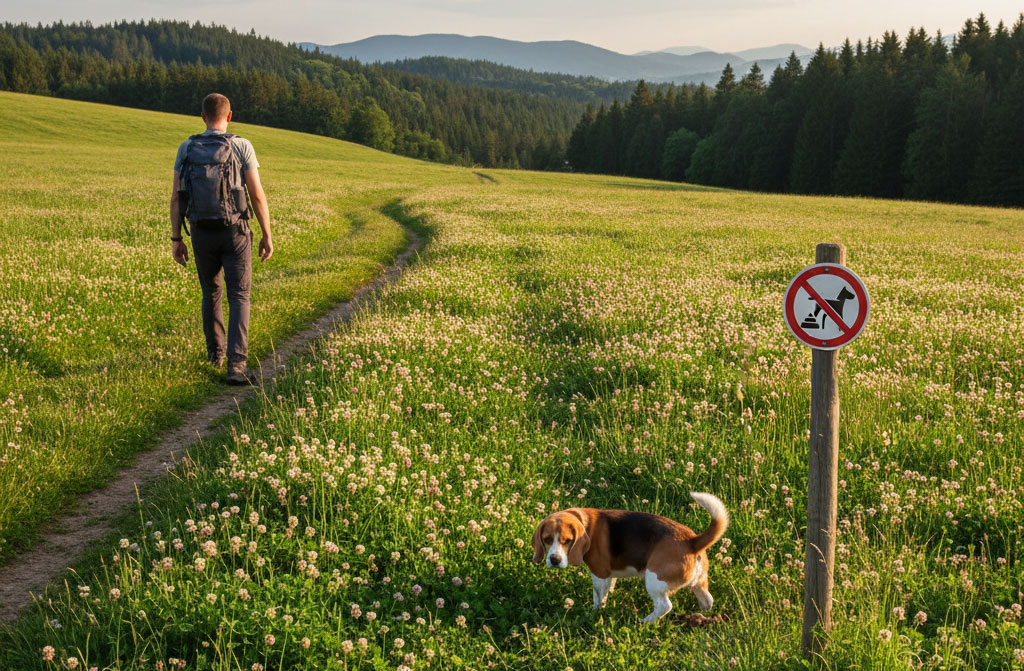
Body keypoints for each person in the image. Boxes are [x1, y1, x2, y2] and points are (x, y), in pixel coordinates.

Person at [170, 93, 273, 384]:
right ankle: (237, 366)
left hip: (201, 230)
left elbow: (177, 197)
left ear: (203, 117)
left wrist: (176, 238)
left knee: (210, 292)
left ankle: (215, 356)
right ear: (229, 116)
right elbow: (256, 195)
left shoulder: (187, 147)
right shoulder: (242, 146)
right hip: (235, 231)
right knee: (239, 294)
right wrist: (266, 234)